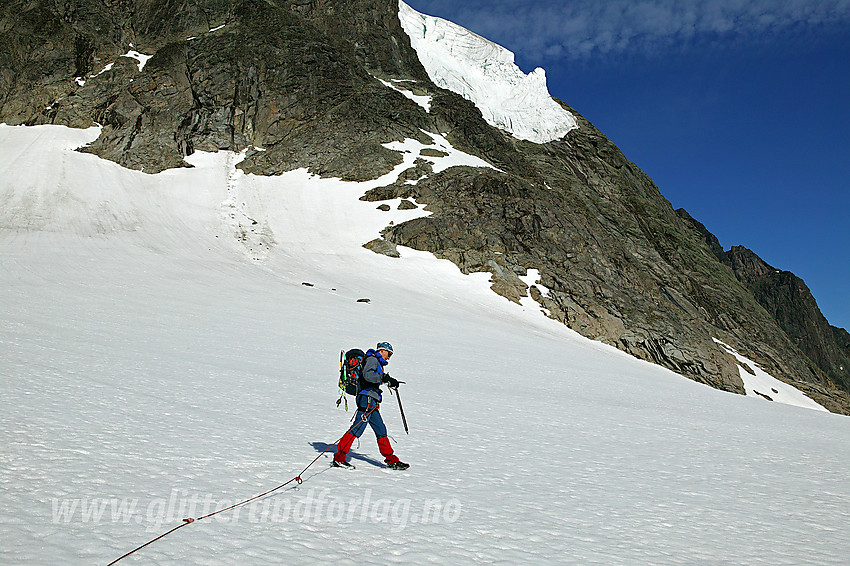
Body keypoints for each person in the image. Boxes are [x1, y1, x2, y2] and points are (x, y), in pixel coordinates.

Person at [333, 342, 409, 470]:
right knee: (357, 428)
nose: (389, 357)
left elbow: (374, 378)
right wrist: (384, 378)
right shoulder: (372, 359)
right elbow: (368, 376)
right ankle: (339, 458)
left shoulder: (376, 362)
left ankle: (391, 460)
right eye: (389, 353)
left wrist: (387, 380)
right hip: (367, 398)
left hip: (372, 400)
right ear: (382, 350)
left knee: (381, 430)